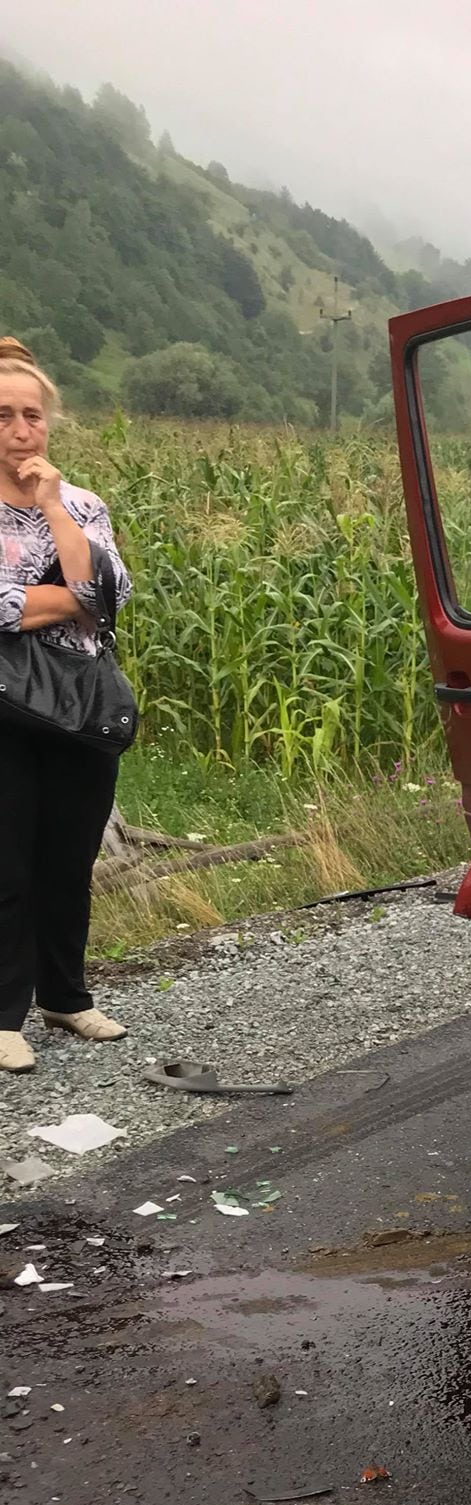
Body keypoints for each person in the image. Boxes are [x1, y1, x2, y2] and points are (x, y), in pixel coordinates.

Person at [0, 335, 133, 1076]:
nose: (22, 431)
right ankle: (2, 1015)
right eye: (4, 416)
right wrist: (69, 596)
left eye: (33, 415)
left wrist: (53, 508)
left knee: (68, 858)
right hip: (4, 710)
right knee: (6, 862)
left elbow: (109, 595)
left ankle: (64, 996)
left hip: (79, 703)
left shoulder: (81, 503)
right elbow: (65, 597)